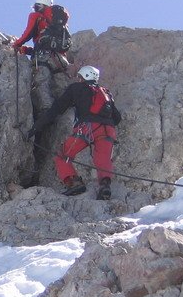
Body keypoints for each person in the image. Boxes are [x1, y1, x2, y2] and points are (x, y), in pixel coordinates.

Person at [26, 65, 120, 199]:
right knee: (103, 160)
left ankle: (74, 183)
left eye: (80, 77)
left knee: (63, 155)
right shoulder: (105, 92)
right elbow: (117, 117)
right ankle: (105, 186)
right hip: (108, 130)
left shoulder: (76, 88)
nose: (78, 79)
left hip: (88, 127)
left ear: (84, 77)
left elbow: (56, 109)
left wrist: (34, 129)